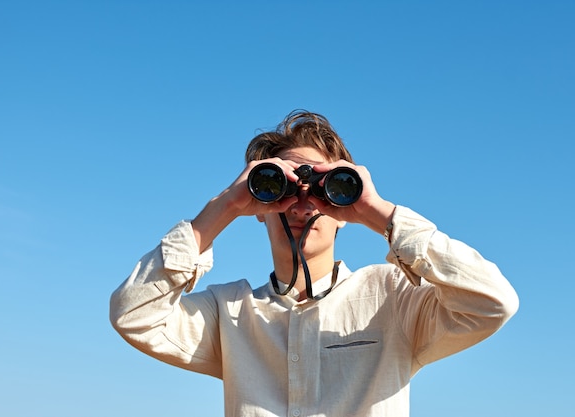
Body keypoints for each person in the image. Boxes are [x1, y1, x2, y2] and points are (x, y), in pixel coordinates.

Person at [110, 110, 519, 417]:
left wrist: (379, 212)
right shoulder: (230, 314)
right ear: (259, 206)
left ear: (342, 206)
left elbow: (492, 302)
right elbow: (134, 314)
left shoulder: (394, 299)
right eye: (279, 189)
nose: (303, 203)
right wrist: (223, 207)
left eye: (326, 189)